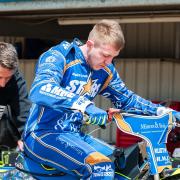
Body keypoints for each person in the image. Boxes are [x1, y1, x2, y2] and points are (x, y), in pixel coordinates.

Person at [23, 19, 180, 179]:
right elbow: (40, 89)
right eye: (105, 55)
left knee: (125, 166)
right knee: (101, 166)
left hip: (75, 135)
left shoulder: (105, 70)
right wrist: (84, 105)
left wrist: (164, 111)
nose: (108, 62)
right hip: (43, 134)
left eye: (113, 57)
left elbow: (127, 99)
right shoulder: (60, 55)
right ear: (90, 44)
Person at [0, 42, 31, 153]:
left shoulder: (16, 79)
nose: (2, 84)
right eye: (0, 77)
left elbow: (23, 112)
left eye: (7, 78)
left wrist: (25, 138)